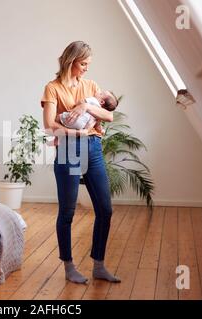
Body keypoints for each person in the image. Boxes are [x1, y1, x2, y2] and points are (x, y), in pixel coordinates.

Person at [41, 41, 121, 284]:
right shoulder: (52, 88)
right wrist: (78, 133)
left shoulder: (91, 86)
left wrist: (86, 105)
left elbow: (109, 115)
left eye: (88, 64)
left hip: (94, 149)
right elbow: (49, 126)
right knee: (67, 211)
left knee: (105, 210)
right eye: (83, 63)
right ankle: (69, 267)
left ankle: (98, 265)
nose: (86, 68)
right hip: (68, 150)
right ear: (70, 61)